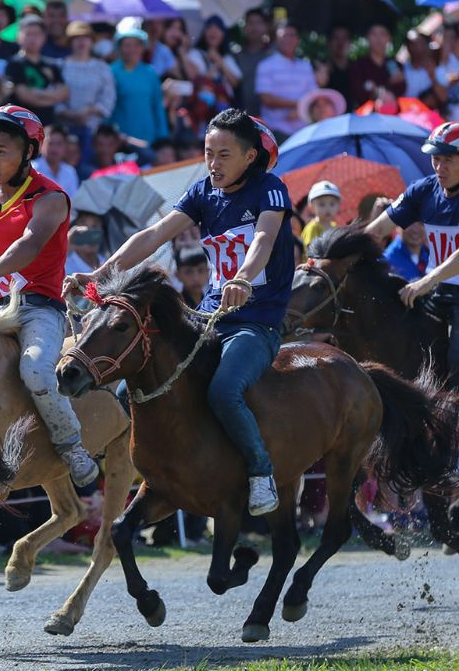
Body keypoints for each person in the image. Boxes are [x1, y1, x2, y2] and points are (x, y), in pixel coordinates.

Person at [66, 109, 295, 513]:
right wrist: (100, 275)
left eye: (224, 155)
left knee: (225, 391)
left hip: (256, 323)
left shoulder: (271, 190)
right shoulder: (202, 192)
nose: (213, 163)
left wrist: (242, 279)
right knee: (125, 388)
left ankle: (261, 474)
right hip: (207, 316)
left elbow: (263, 238)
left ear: (250, 157)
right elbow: (154, 235)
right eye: (208, 153)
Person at [0, 104, 98, 486]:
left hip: (37, 308)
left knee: (35, 369)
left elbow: (28, 246)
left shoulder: (51, 198)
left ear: (29, 151)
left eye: (1, 151)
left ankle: (71, 445)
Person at [364, 121, 459, 406]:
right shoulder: (421, 190)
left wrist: (426, 281)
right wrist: (334, 256)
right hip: (439, 289)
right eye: (435, 159)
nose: (439, 167)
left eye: (448, 160)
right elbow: (376, 231)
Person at [57, 20, 115, 152]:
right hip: (64, 131)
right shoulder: (60, 66)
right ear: (70, 41)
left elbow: (108, 99)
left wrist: (88, 111)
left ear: (91, 41)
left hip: (94, 131)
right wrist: (70, 115)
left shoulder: (102, 67)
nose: (81, 42)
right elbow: (54, 96)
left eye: (85, 37)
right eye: (77, 38)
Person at [5, 16, 68, 128]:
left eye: (36, 34)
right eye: (28, 34)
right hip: (22, 124)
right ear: (19, 36)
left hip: (48, 123)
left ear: (44, 37)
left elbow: (64, 93)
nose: (32, 38)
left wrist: (37, 93)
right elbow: (25, 96)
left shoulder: (51, 64)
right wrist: (52, 97)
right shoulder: (14, 64)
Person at [255, 23, 317, 137]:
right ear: (276, 39)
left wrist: (299, 110)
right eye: (284, 36)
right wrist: (300, 105)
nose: (288, 39)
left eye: (292, 35)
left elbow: (313, 97)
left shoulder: (305, 66)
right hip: (275, 133)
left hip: (304, 132)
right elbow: (267, 99)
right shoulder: (266, 65)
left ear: (298, 40)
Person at [109, 28, 168, 146]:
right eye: (127, 45)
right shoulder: (111, 72)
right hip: (121, 139)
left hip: (149, 137)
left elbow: (157, 105)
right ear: (119, 48)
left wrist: (162, 136)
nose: (132, 49)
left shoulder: (150, 72)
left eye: (136, 45)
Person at [32, 124, 81, 199]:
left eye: (59, 144)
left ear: (65, 146)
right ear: (41, 145)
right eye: (50, 143)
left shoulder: (70, 171)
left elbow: (73, 201)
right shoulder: (33, 169)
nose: (54, 149)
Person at [298, 180, 342, 249]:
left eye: (332, 204)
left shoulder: (335, 227)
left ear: (338, 206)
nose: (327, 208)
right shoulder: (312, 228)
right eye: (322, 204)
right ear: (312, 206)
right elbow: (311, 249)